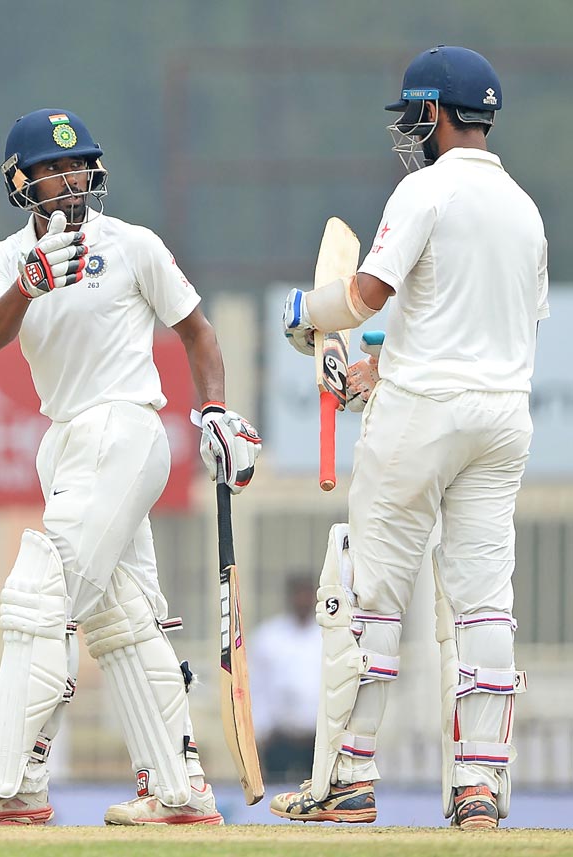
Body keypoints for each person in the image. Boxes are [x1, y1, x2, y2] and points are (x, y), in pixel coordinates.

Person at [0, 108, 261, 826]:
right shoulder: (3, 259)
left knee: (42, 591)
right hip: (67, 438)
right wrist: (31, 280)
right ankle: (178, 790)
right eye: (54, 168)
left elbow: (198, 333)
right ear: (22, 183)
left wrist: (214, 410)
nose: (72, 176)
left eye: (80, 163)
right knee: (124, 616)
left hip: (125, 425)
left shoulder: (133, 244)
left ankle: (11, 780)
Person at [273, 46, 548, 830]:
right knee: (485, 604)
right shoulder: (526, 209)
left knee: (372, 597)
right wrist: (375, 371)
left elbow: (363, 295)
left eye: (413, 116)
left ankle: (351, 778)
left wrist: (305, 313)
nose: (410, 131)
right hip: (501, 420)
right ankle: (480, 790)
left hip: (422, 418)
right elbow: (479, 334)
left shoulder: (423, 190)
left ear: (435, 112)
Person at [249, 574, 321, 782]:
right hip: (280, 738)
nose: (303, 600)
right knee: (276, 796)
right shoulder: (269, 636)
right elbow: (257, 686)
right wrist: (260, 733)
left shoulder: (328, 636)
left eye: (307, 595)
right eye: (298, 594)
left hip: (318, 740)